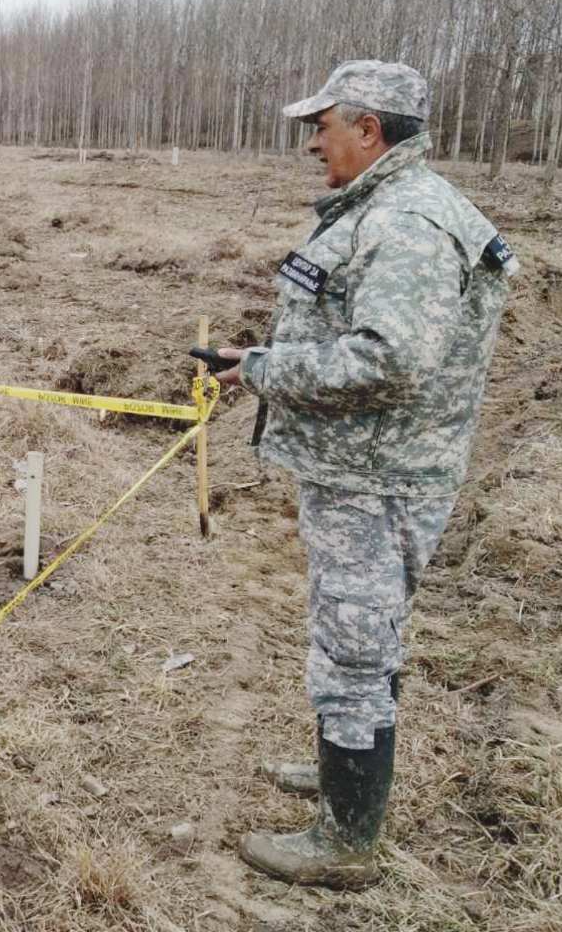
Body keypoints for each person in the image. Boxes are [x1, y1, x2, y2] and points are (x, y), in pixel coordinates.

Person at [214, 60, 519, 888]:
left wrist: (273, 372)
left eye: (324, 125)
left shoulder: (408, 224)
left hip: (380, 479)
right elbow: (358, 331)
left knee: (353, 647)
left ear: (369, 130)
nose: (314, 142)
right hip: (372, 468)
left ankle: (347, 840)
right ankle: (345, 769)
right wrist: (259, 360)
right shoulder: (388, 208)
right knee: (359, 635)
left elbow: (389, 363)